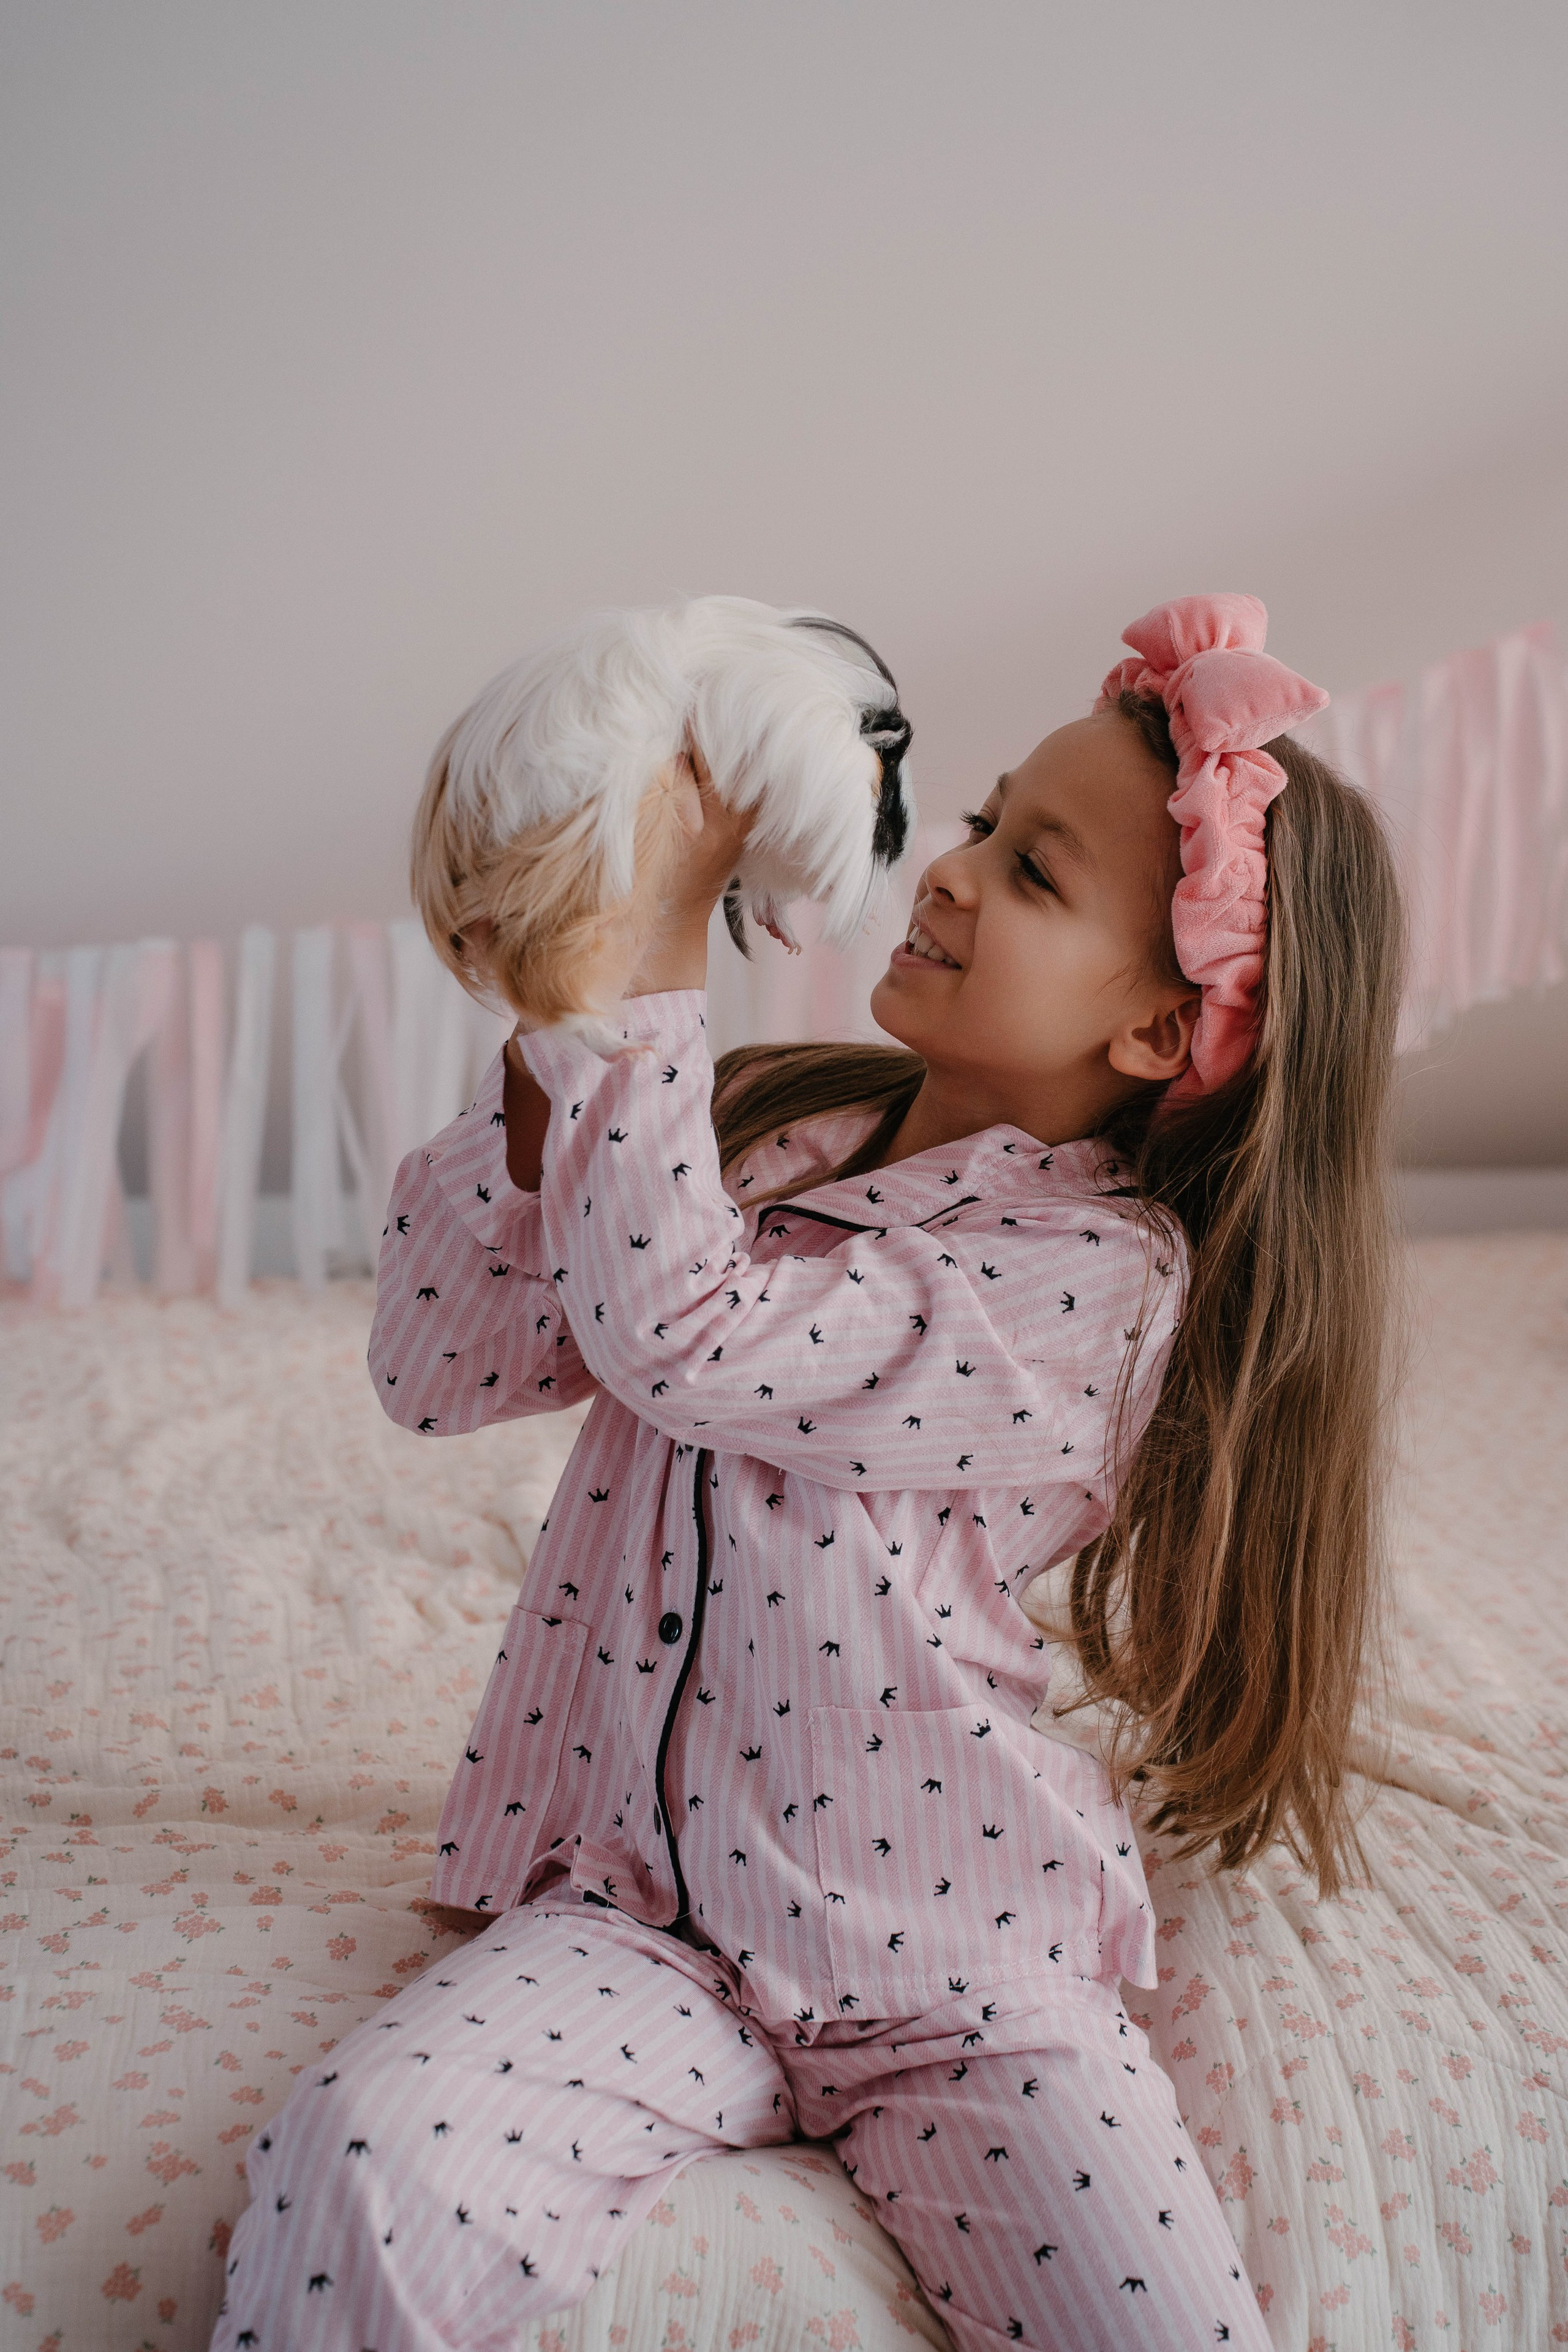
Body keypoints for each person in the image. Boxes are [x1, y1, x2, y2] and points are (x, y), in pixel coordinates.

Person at [209, 595, 1405, 2351]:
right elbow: (441, 1367)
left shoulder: (1100, 1284)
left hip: (958, 1966)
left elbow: (687, 1336)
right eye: (987, 820)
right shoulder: (753, 1135)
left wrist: (655, 966)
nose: (957, 869)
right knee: (362, 2154)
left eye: (1038, 876)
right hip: (642, 1924)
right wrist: (561, 1052)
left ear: (1160, 1037)